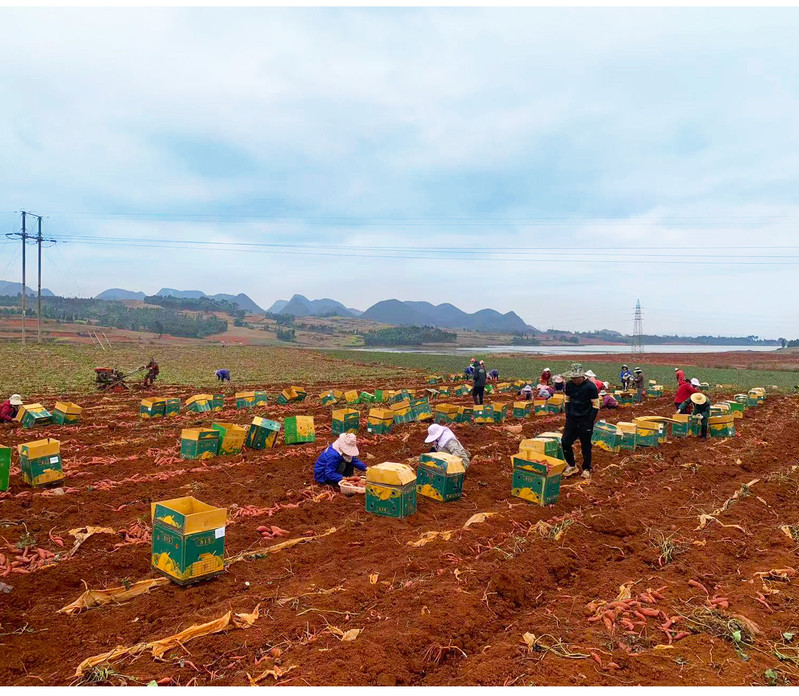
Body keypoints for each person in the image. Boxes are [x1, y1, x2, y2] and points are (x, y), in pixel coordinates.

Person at [562, 363, 600, 480]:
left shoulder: (590, 387)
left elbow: (595, 406)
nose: (574, 380)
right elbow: (567, 401)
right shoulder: (569, 385)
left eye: (576, 378)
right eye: (572, 378)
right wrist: (568, 414)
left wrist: (589, 422)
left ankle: (586, 468)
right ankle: (572, 465)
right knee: (565, 442)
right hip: (572, 419)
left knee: (586, 445)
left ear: (581, 377)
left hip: (585, 420)